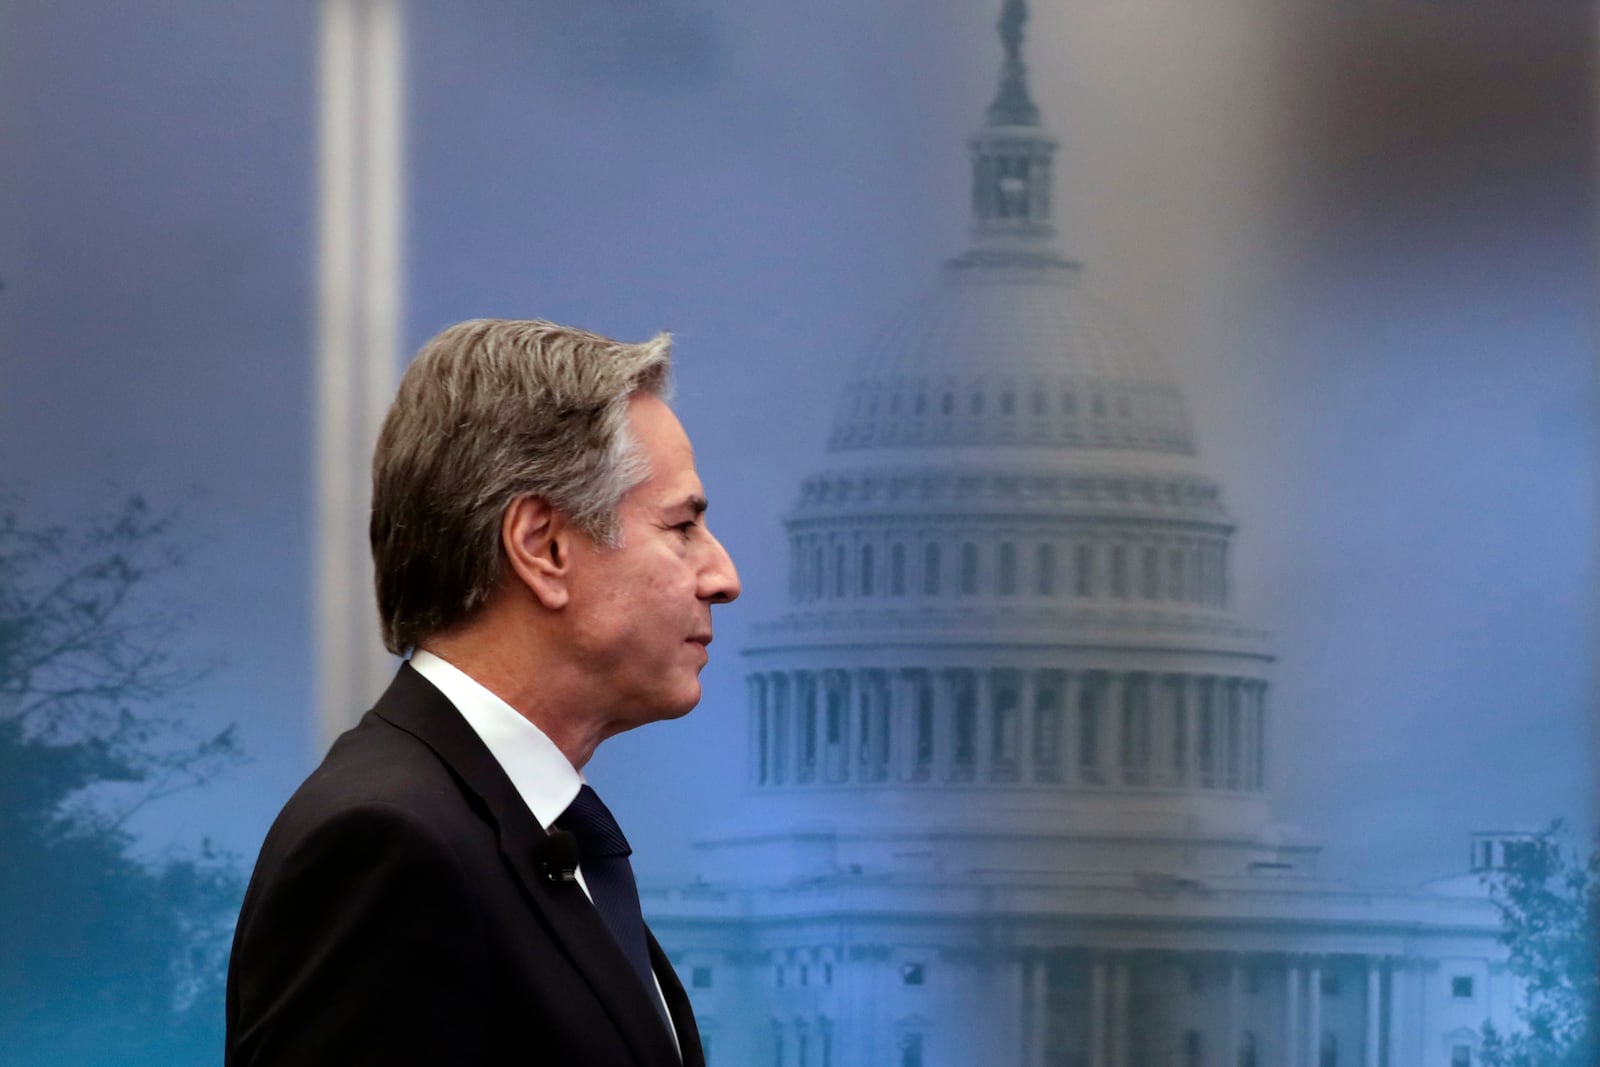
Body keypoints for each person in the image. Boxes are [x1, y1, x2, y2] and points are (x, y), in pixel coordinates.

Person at [225, 319, 741, 1066]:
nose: (723, 575)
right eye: (683, 524)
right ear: (543, 546)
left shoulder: (510, 833)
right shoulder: (387, 845)